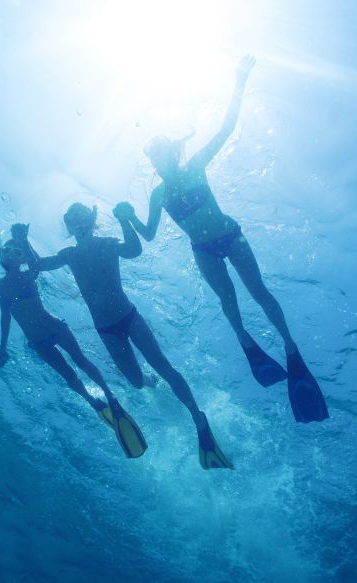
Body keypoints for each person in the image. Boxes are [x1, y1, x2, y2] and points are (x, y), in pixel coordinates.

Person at [127, 54, 328, 423]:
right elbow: (150, 235)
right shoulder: (158, 194)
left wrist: (239, 82)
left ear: (173, 151)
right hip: (203, 249)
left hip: (230, 236)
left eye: (161, 152)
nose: (159, 160)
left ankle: (290, 345)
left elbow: (227, 127)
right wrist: (129, 220)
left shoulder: (196, 165)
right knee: (227, 299)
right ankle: (246, 342)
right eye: (153, 157)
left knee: (259, 292)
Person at [20, 204, 233, 469]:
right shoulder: (70, 254)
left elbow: (134, 250)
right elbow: (39, 265)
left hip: (129, 318)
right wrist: (22, 241)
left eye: (84, 216)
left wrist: (124, 220)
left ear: (92, 219)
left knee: (163, 365)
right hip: (107, 330)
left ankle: (198, 419)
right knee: (135, 381)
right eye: (73, 219)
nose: (79, 223)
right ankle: (149, 381)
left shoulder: (108, 243)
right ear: (69, 225)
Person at [0, 224, 147, 458]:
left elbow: (37, 266)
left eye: (18, 252)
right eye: (9, 251)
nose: (13, 255)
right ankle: (92, 402)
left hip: (56, 327)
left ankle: (109, 395)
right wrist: (2, 347)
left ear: (22, 258)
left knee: (81, 361)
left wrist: (23, 240)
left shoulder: (28, 274)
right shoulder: (0, 286)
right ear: (1, 256)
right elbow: (5, 316)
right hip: (37, 342)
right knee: (68, 375)